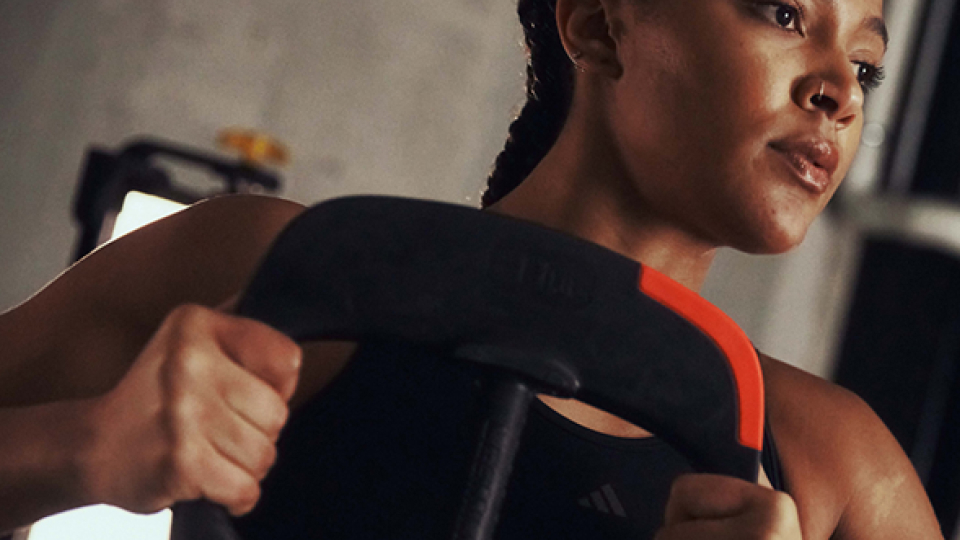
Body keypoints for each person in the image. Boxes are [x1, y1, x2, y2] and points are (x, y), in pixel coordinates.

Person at [0, 0, 945, 538]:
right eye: (784, 12)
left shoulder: (835, 471)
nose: (836, 94)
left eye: (865, 67)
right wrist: (83, 446)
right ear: (600, 26)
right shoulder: (283, 274)